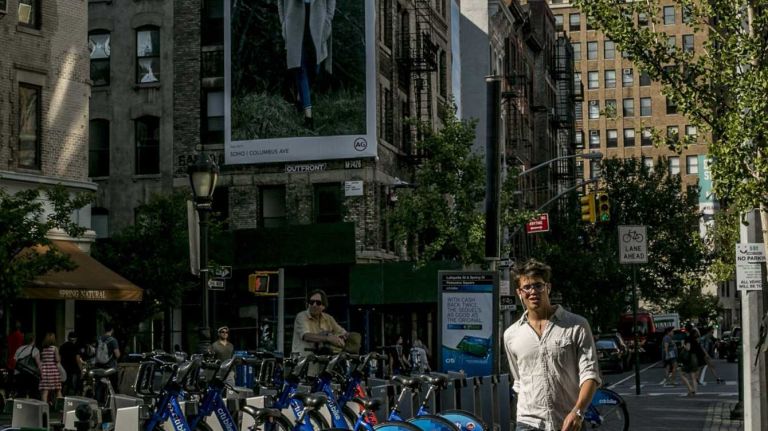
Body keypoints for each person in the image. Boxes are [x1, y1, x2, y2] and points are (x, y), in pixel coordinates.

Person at [503, 259, 601, 431]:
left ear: (548, 287)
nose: (533, 291)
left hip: (568, 421)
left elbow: (590, 375)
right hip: (528, 423)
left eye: (538, 286)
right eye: (527, 287)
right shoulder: (511, 335)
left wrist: (578, 412)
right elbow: (519, 380)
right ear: (519, 292)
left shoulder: (576, 325)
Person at [277, 0, 336, 129]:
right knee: (300, 69)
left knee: (315, 68)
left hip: (318, 22)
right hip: (294, 22)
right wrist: (284, 23)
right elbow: (280, 2)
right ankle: (308, 117)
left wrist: (328, 20)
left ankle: (300, 98)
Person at [292, 289, 347, 375]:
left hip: (324, 362)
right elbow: (306, 336)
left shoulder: (328, 318)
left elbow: (343, 333)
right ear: (307, 304)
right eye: (311, 302)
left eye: (318, 303)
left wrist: (339, 338)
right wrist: (328, 338)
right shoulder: (301, 316)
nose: (314, 305)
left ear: (324, 306)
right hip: (304, 363)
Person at [94, 324, 120, 404]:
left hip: (99, 366)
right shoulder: (113, 340)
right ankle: (113, 403)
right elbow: (117, 354)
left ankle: (98, 403)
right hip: (110, 368)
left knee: (99, 385)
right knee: (113, 385)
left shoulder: (98, 340)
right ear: (112, 330)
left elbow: (96, 352)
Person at [13, 333, 40, 399]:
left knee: (21, 394)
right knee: (33, 394)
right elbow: (39, 364)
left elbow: (15, 360)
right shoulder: (34, 350)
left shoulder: (19, 349)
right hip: (30, 375)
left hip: (18, 374)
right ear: (33, 340)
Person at [38, 332, 62, 404]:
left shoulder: (43, 349)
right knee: (58, 390)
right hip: (53, 370)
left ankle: (44, 407)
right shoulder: (55, 348)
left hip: (45, 371)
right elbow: (57, 360)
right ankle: (60, 407)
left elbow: (42, 360)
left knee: (45, 391)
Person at [60, 332, 84, 396]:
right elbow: (77, 359)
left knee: (65, 385)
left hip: (64, 369)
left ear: (68, 338)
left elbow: (59, 358)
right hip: (74, 370)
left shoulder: (62, 346)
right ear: (76, 339)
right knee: (74, 387)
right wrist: (81, 370)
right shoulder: (76, 346)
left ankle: (63, 398)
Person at [6, 321, 24, 395]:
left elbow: (8, 348)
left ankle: (9, 393)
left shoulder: (10, 336)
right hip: (17, 361)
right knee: (18, 379)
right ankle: (17, 393)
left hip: (10, 360)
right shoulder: (20, 336)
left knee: (10, 378)